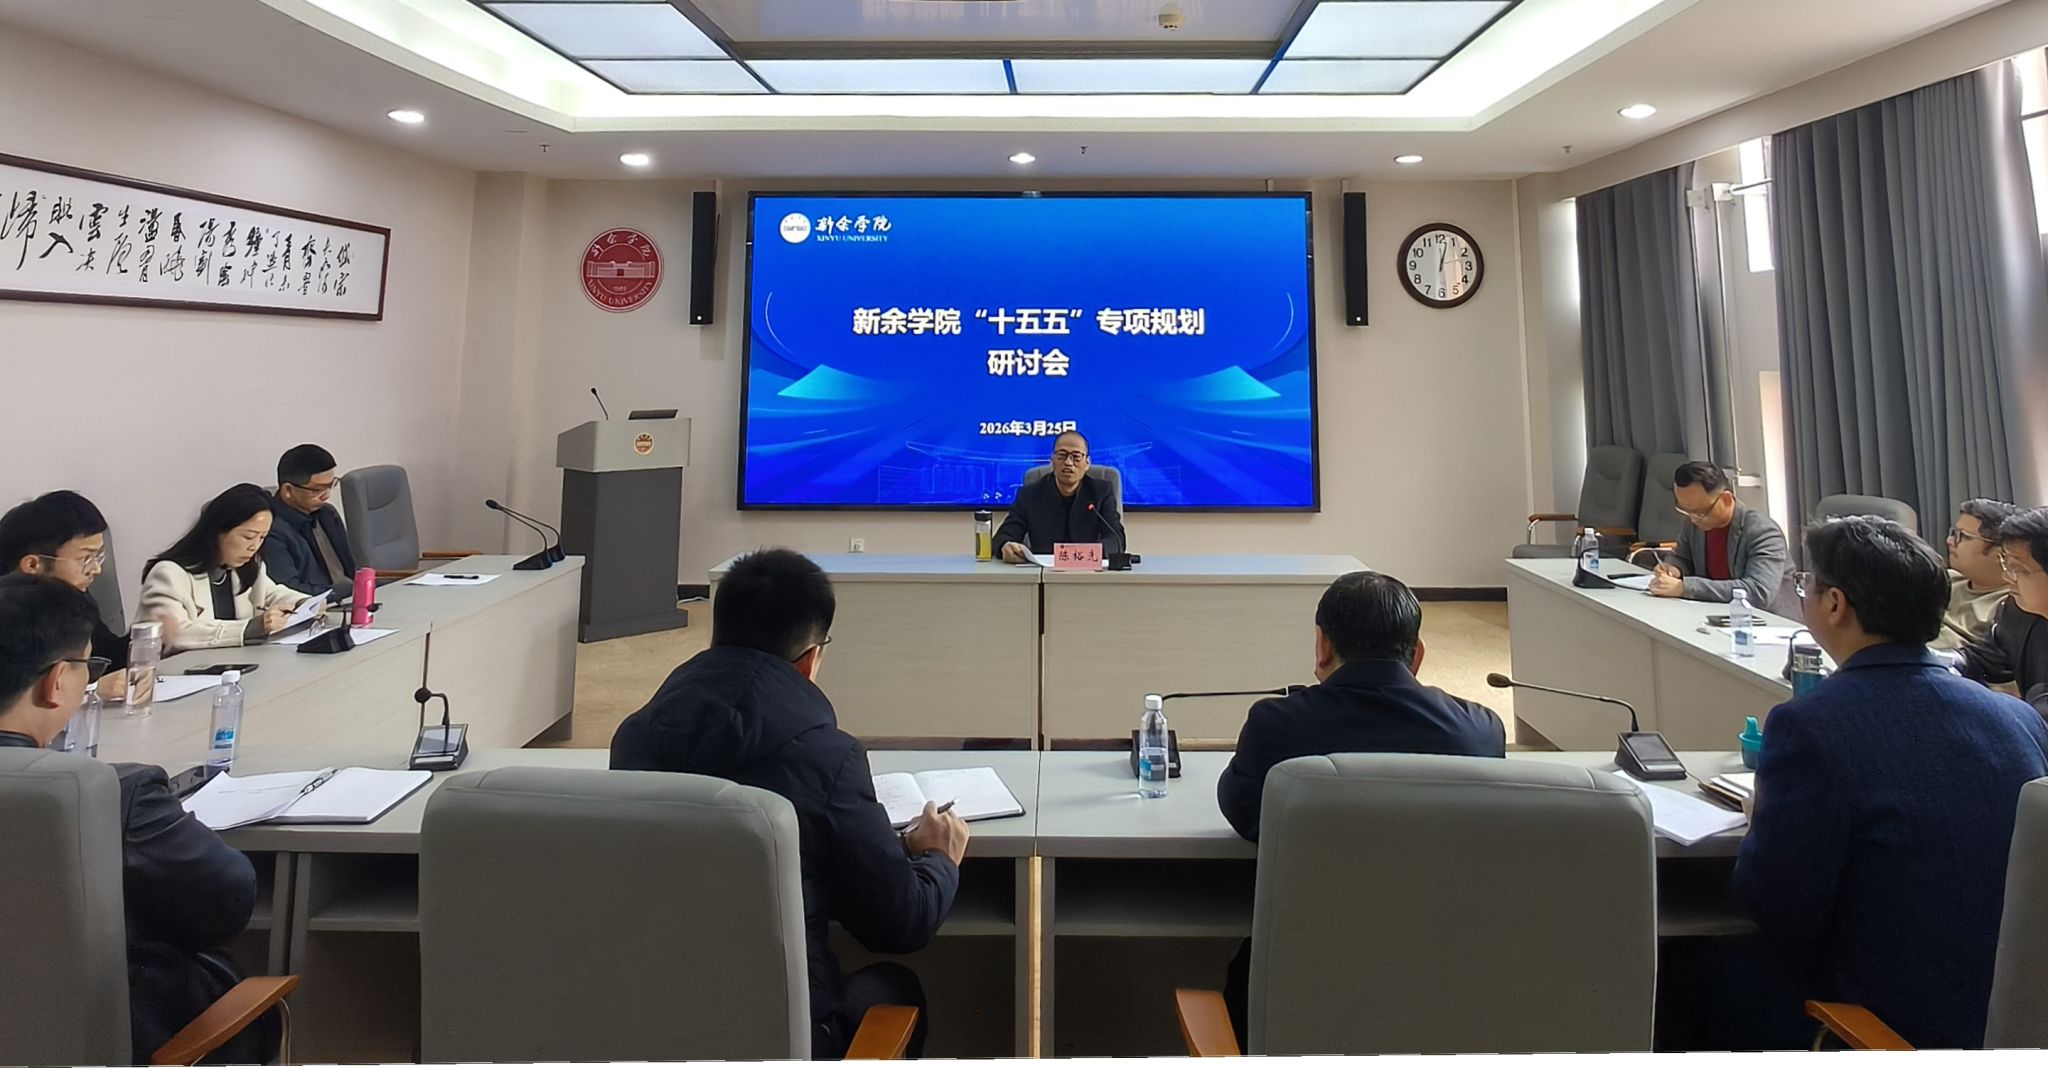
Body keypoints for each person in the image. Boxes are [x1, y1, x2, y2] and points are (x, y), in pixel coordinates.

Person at [1664, 517, 2047, 1051]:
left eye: (1806, 584)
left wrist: (1763, 821)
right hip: (2013, 1010)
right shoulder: (2018, 718)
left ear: (1835, 605)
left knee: (1683, 969)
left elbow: (1775, 902)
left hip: (1886, 1017)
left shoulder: (1811, 725)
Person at [609, 548, 967, 1058]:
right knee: (895, 985)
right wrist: (938, 857)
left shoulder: (634, 740)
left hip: (654, 1028)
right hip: (793, 1038)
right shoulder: (829, 759)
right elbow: (902, 922)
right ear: (810, 660)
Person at [1214, 570, 1507, 1044]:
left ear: (1322, 647)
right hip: (1444, 984)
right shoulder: (1479, 732)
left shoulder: (1277, 726)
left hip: (1298, 986)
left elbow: (1244, 815)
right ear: (1417, 655)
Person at [0, 573, 269, 1061]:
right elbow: (227, 900)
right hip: (93, 1036)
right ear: (57, 682)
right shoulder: (112, 793)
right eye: (88, 666)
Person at [140, 484, 316, 652]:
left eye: (262, 537)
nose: (254, 546)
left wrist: (306, 604)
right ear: (217, 531)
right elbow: (174, 635)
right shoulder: (168, 574)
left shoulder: (246, 567)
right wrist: (250, 628)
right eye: (248, 537)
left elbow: (271, 593)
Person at [0, 490, 129, 695]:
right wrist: (91, 690)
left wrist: (158, 636)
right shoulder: (8, 618)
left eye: (98, 556)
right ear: (33, 564)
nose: (96, 569)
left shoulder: (72, 600)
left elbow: (107, 656)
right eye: (85, 558)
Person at [1648, 461, 1789, 612]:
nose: (1693, 519)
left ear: (1726, 500)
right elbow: (1683, 557)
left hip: (1765, 620)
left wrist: (1684, 588)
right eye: (1685, 510)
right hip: (1713, 613)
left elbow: (1758, 592)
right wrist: (1674, 568)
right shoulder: (1694, 522)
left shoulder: (1763, 532)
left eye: (1699, 512)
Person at [1960, 506, 2048, 717]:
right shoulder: (2018, 610)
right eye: (2006, 563)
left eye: (2018, 569)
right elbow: (1984, 660)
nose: (2008, 577)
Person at [992, 429, 1125, 562]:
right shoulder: (1030, 494)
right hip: (1044, 572)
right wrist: (1005, 546)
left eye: (1076, 456)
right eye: (1062, 455)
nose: (1068, 462)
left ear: (1087, 463)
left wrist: (1080, 555)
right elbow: (1003, 537)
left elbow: (1116, 540)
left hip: (1089, 570)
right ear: (1052, 459)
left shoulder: (1101, 492)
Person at [262, 444, 358, 602]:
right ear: (288, 490)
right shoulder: (271, 530)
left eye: (331, 485)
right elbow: (288, 590)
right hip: (315, 606)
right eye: (318, 490)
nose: (326, 495)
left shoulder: (328, 514)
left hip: (349, 598)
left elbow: (351, 569)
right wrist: (342, 591)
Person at [1934, 498, 2018, 651]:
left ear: (2001, 552)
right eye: (1954, 533)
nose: (1950, 541)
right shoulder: (1945, 579)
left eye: (1963, 536)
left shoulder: (2009, 606)